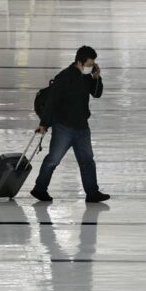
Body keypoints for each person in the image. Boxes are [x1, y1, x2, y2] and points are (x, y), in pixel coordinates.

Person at [31, 45, 110, 203]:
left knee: (87, 161)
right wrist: (44, 124)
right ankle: (39, 189)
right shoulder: (64, 77)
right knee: (53, 159)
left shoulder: (87, 77)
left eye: (93, 64)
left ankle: (92, 192)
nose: (91, 67)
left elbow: (97, 94)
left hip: (82, 127)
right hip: (64, 128)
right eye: (89, 64)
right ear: (79, 62)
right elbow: (51, 102)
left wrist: (97, 78)